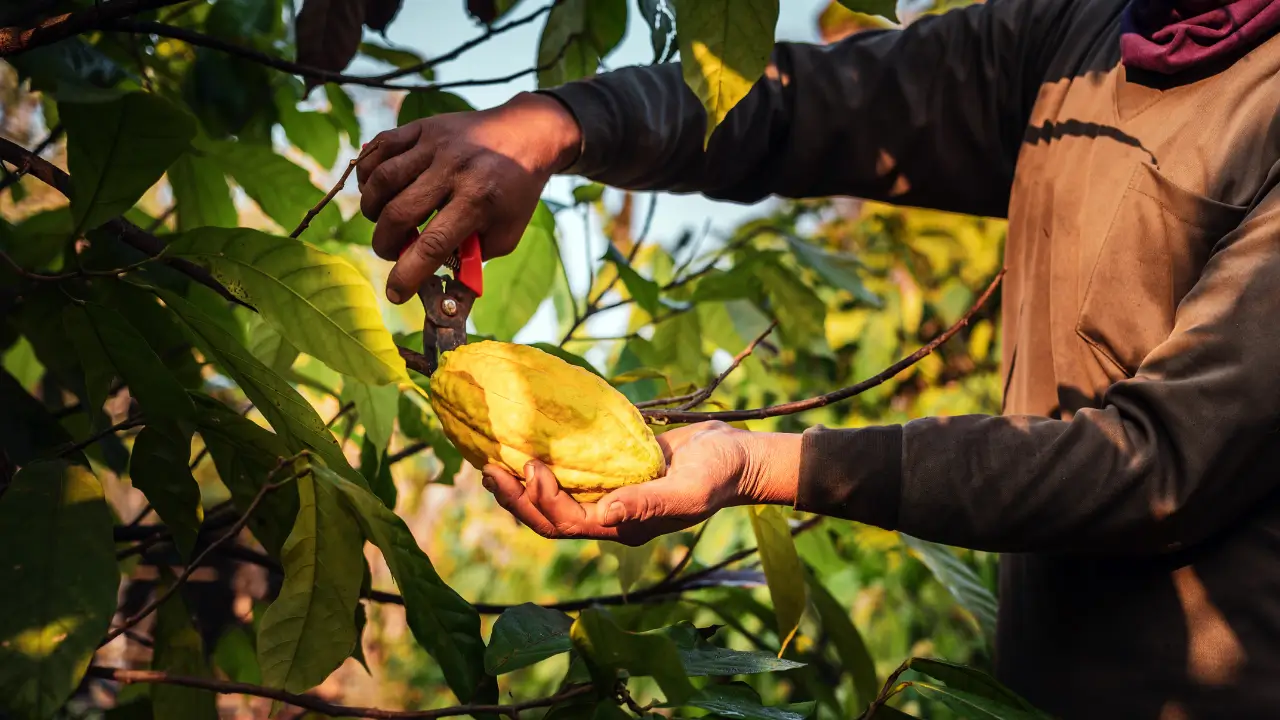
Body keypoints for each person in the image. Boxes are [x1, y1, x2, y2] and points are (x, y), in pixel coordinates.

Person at [356, 0, 1280, 716]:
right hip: (1034, 692)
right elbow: (800, 106)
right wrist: (557, 121)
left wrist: (770, 463)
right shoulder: (1083, 34)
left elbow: (1159, 462)